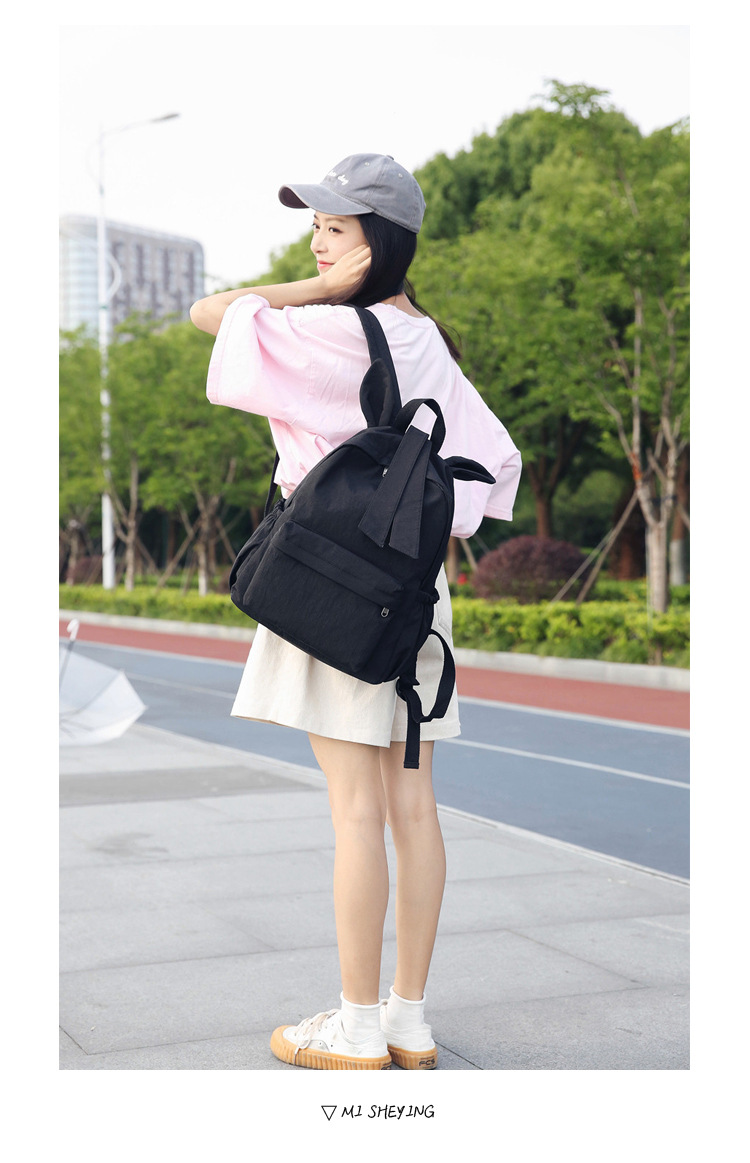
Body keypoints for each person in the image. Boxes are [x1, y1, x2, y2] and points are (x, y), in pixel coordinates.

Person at [190, 153, 521, 1071]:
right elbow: (492, 466)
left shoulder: (332, 331)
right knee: (413, 804)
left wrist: (321, 290)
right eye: (315, 229)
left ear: (379, 241)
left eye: (335, 230)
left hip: (329, 581)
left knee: (353, 812)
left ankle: (357, 1025)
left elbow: (211, 313)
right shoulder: (428, 340)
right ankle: (409, 1020)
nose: (317, 244)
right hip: (415, 589)